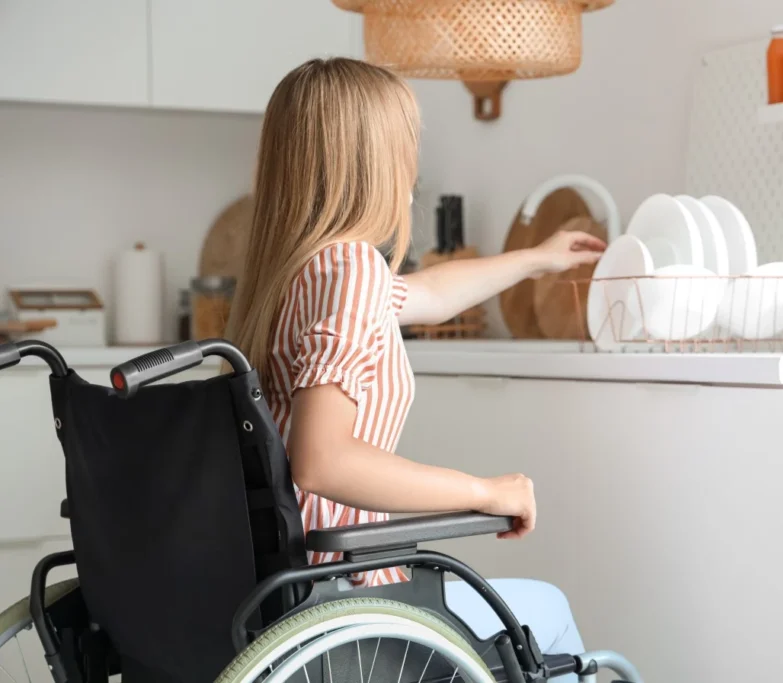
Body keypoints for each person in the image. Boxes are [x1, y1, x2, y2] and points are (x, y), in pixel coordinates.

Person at [225, 57, 606, 677]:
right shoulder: (349, 270)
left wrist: (535, 259)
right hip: (345, 597)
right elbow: (322, 459)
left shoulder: (296, 275)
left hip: (279, 593)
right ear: (374, 161)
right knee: (551, 611)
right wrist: (485, 491)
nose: (415, 166)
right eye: (408, 144)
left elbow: (429, 293)